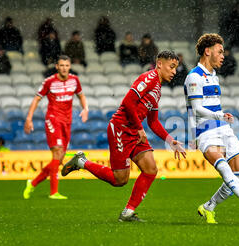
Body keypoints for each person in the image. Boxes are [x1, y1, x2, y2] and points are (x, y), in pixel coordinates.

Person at [61, 51, 186, 222]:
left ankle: (128, 212)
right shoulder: (149, 78)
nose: (174, 71)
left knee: (150, 169)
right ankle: (81, 162)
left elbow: (153, 121)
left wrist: (171, 141)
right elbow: (128, 102)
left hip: (134, 131)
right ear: (159, 64)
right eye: (171, 67)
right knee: (119, 180)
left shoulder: (158, 90)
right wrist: (138, 128)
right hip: (120, 128)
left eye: (175, 68)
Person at [184, 33, 239, 224]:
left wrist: (221, 118)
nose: (223, 56)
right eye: (220, 52)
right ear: (207, 51)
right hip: (206, 130)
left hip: (223, 128)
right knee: (226, 169)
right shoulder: (194, 77)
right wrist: (194, 134)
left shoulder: (214, 76)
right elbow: (196, 109)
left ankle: (208, 207)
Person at [23, 55, 89, 200]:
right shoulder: (49, 82)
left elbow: (81, 95)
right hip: (53, 120)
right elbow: (36, 99)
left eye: (67, 65)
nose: (64, 68)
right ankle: (54, 192)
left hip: (67, 122)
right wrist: (29, 118)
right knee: (57, 153)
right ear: (57, 67)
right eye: (62, 65)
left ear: (70, 66)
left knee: (59, 160)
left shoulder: (74, 80)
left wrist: (85, 108)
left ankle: (33, 183)